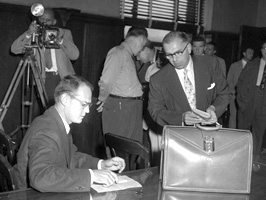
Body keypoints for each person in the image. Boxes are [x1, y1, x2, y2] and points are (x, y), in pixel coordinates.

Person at [13, 75, 125, 192]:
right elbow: (41, 177)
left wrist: (101, 164)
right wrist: (92, 176)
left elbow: (71, 157)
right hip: (28, 195)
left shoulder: (55, 121)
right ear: (65, 99)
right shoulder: (46, 131)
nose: (87, 110)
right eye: (83, 104)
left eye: (88, 105)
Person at [148, 31, 230, 127]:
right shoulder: (158, 79)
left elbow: (224, 93)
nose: (174, 59)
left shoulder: (211, 64)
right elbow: (155, 111)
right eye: (169, 55)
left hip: (209, 130)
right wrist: (181, 118)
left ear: (189, 48)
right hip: (179, 134)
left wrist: (214, 108)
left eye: (178, 53)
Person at [11, 8, 79, 107]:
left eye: (48, 20)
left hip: (62, 78)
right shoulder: (34, 34)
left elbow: (75, 55)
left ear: (54, 21)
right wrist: (29, 33)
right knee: (45, 110)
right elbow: (14, 49)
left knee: (62, 108)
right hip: (42, 77)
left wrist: (61, 41)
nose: (45, 22)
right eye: (42, 19)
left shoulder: (64, 33)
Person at [97, 26, 148, 143]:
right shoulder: (117, 52)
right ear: (140, 39)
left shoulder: (127, 55)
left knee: (130, 147)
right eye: (143, 46)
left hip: (130, 108)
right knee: (119, 147)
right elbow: (106, 80)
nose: (141, 50)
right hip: (121, 107)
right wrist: (103, 98)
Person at [236, 41, 266, 162]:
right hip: (249, 98)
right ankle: (240, 153)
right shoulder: (252, 64)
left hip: (264, 100)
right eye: (264, 48)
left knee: (259, 129)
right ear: (262, 50)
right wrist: (241, 100)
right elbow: (240, 82)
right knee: (243, 127)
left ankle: (255, 155)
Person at [227, 47, 254, 128]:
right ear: (244, 53)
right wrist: (232, 91)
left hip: (247, 97)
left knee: (245, 118)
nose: (251, 55)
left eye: (252, 53)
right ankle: (231, 134)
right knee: (233, 116)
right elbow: (229, 80)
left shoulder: (253, 67)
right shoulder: (235, 65)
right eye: (249, 53)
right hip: (235, 95)